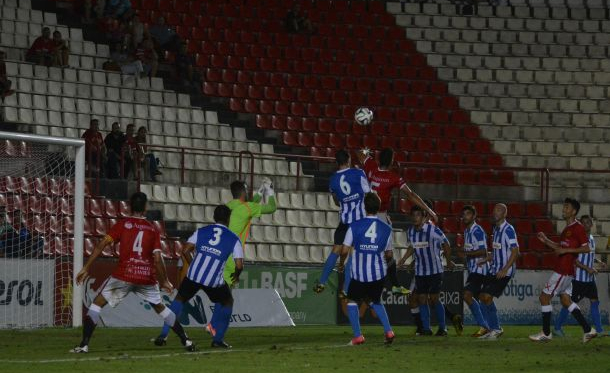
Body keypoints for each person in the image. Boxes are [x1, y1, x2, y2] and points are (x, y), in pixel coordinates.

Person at [70, 192, 193, 353]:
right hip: (146, 276)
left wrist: (86, 267)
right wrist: (164, 281)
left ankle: (84, 344)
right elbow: (157, 258)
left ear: (129, 206)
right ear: (145, 208)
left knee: (96, 304)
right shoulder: (152, 229)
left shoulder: (123, 224)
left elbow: (102, 244)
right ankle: (186, 341)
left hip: (124, 274)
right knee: (161, 308)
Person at [154, 179, 276, 342]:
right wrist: (269, 190)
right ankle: (214, 330)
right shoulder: (247, 209)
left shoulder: (228, 207)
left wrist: (260, 192)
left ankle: (165, 332)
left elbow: (250, 205)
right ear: (244, 193)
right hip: (229, 258)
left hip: (204, 261)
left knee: (180, 299)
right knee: (225, 298)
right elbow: (271, 207)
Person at [154, 205, 244, 349]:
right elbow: (239, 265)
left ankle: (163, 335)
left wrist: (193, 263)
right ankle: (218, 339)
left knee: (179, 300)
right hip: (213, 281)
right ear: (228, 219)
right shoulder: (234, 239)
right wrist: (236, 275)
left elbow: (185, 250)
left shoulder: (202, 231)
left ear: (214, 217)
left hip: (193, 276)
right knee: (227, 301)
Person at [357, 147, 438, 295]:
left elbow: (360, 154)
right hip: (380, 216)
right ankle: (385, 284)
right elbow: (411, 195)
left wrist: (367, 152)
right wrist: (430, 211)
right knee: (387, 254)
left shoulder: (371, 166)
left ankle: (383, 284)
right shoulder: (393, 177)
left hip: (365, 214)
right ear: (392, 161)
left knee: (370, 250)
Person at [529, 198, 597, 343]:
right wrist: (546, 240)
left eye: (566, 207)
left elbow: (586, 248)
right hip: (567, 270)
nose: (563, 209)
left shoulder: (578, 228)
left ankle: (546, 333)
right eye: (564, 207)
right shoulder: (567, 229)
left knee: (544, 297)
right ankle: (588, 330)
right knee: (566, 300)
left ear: (573, 211)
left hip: (563, 270)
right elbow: (560, 247)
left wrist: (567, 249)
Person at [314, 149, 370, 295]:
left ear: (336, 163)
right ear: (349, 160)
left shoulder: (332, 180)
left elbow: (336, 202)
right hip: (358, 222)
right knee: (352, 254)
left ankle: (322, 282)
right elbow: (368, 193)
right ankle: (345, 290)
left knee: (336, 250)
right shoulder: (358, 173)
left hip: (344, 221)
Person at [343, 193, 395, 345]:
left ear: (364, 207)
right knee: (376, 301)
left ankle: (358, 336)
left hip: (359, 274)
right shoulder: (386, 229)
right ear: (378, 208)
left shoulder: (355, 225)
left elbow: (345, 250)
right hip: (378, 273)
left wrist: (341, 263)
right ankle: (389, 331)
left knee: (352, 301)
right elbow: (389, 254)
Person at [398, 205, 453, 336]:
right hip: (421, 271)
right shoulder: (411, 231)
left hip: (435, 270)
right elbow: (413, 246)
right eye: (414, 215)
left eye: (418, 215)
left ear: (423, 217)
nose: (415, 218)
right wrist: (404, 258)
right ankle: (426, 329)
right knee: (422, 298)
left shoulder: (433, 230)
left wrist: (449, 261)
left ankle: (442, 328)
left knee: (434, 298)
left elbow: (446, 244)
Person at [554, 215, 606, 336]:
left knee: (595, 302)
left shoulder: (592, 238)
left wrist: (598, 262)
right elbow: (574, 259)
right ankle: (557, 327)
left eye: (589, 222)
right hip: (578, 279)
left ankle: (599, 330)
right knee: (569, 304)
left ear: (592, 224)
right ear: (581, 225)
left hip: (590, 279)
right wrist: (587, 268)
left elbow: (590, 255)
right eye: (584, 223)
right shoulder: (577, 239)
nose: (586, 224)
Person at [478, 203, 519, 340]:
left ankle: (495, 328)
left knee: (487, 297)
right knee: (483, 297)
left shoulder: (508, 230)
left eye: (499, 210)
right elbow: (498, 250)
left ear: (504, 214)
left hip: (504, 271)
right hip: (494, 268)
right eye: (494, 210)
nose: (495, 212)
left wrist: (505, 269)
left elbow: (515, 251)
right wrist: (487, 258)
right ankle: (492, 328)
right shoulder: (495, 229)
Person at [460, 205, 491, 337]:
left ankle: (484, 326)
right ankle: (489, 326)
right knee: (480, 299)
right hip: (473, 269)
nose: (465, 216)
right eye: (464, 214)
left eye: (468, 214)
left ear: (474, 216)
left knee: (467, 295)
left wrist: (467, 254)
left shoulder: (477, 231)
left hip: (480, 269)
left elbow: (483, 251)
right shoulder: (467, 231)